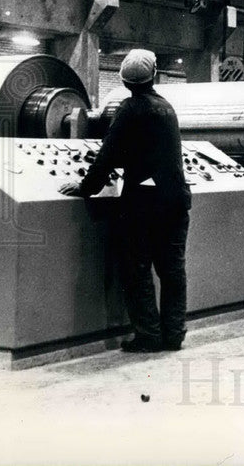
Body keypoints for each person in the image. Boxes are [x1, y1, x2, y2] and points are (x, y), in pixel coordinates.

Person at [60, 49, 191, 353]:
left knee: (137, 269)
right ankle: (173, 334)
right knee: (172, 272)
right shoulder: (167, 107)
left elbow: (108, 155)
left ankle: (148, 336)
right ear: (154, 74)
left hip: (144, 205)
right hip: (175, 201)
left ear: (123, 81)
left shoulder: (129, 109)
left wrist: (85, 187)